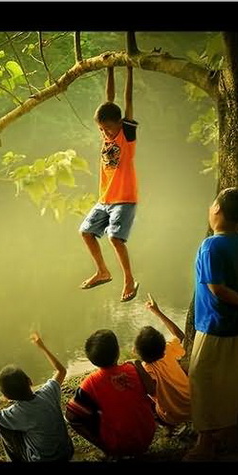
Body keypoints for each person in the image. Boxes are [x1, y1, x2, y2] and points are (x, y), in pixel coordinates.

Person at [185, 187, 238, 461]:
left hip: (215, 324)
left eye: (212, 204)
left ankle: (205, 442)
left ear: (217, 210)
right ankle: (228, 428)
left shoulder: (210, 245)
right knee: (230, 378)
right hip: (237, 325)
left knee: (202, 379)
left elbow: (216, 288)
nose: (210, 208)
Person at [79, 65, 140, 303]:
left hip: (124, 197)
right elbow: (109, 99)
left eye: (108, 127)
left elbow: (126, 100)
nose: (104, 131)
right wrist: (111, 69)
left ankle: (128, 279)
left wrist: (130, 70)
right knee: (85, 231)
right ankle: (103, 271)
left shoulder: (127, 135)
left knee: (115, 238)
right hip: (105, 199)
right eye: (101, 128)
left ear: (119, 123)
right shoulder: (106, 134)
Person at [65, 329, 156, 458]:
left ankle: (108, 450)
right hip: (147, 433)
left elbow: (71, 417)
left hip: (118, 445)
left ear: (91, 359)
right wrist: (138, 365)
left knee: (82, 410)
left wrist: (100, 444)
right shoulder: (133, 369)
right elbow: (152, 390)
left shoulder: (89, 383)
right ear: (118, 352)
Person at [0, 332, 74, 462]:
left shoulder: (17, 412)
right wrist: (42, 346)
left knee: (2, 428)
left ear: (5, 397)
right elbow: (61, 371)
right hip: (66, 453)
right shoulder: (48, 392)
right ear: (30, 381)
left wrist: (0, 416)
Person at [134, 293, 191, 431]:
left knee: (143, 399)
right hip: (193, 404)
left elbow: (150, 390)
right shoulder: (168, 350)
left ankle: (167, 427)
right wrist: (157, 312)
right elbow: (180, 336)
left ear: (137, 351)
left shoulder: (146, 369)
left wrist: (135, 363)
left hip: (172, 416)